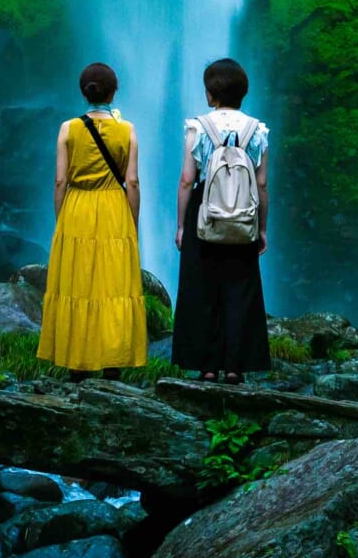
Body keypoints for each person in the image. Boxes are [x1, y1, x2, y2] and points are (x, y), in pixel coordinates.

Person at [37, 61, 148, 376]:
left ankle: (77, 364)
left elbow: (60, 181)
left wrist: (63, 218)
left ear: (84, 93)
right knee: (113, 287)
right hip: (114, 207)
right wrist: (133, 223)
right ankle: (113, 364)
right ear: (113, 93)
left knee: (78, 284)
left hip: (77, 206)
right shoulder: (127, 130)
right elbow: (134, 181)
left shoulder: (68, 128)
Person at [172, 56, 271, 383]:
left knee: (203, 288)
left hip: (205, 211)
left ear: (211, 94)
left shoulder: (198, 127)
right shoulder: (257, 130)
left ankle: (208, 366)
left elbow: (187, 179)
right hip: (243, 214)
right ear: (242, 93)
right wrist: (262, 228)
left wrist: (182, 226)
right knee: (240, 290)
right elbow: (261, 184)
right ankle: (235, 367)